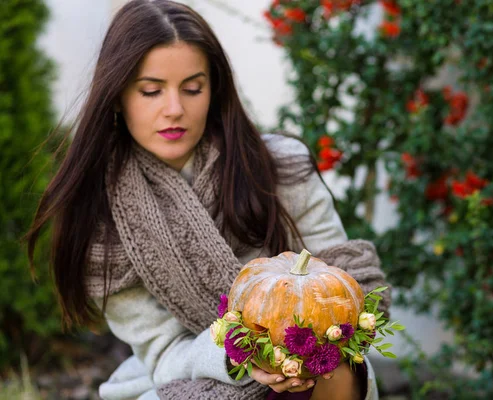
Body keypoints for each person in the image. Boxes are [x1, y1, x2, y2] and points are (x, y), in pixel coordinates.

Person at [27, 1, 392, 399]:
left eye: (192, 88)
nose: (174, 110)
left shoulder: (280, 167)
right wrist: (244, 355)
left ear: (213, 90)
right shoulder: (100, 217)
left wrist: (300, 347)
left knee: (336, 368)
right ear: (116, 96)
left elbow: (347, 278)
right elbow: (164, 351)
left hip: (307, 365)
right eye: (151, 91)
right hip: (180, 372)